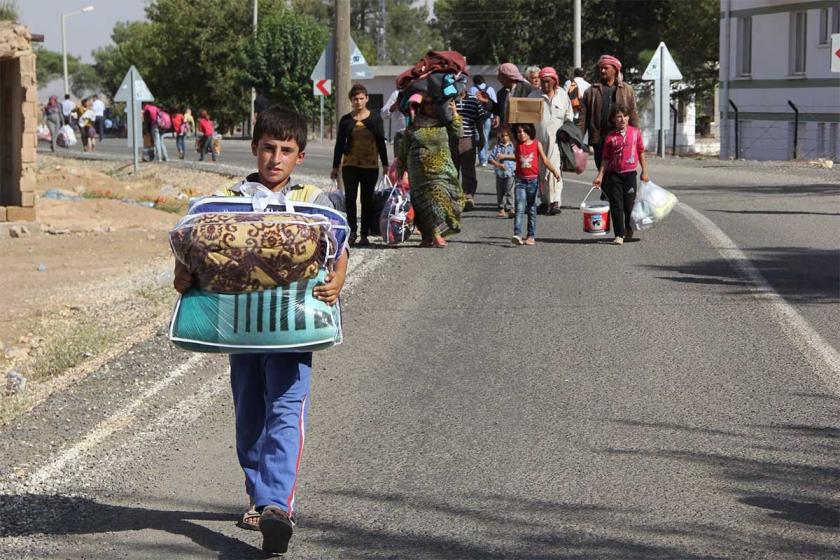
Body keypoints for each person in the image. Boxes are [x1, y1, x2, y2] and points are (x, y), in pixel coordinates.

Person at [174, 105, 348, 555]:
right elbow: (197, 241)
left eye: (285, 150)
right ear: (254, 149)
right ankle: (258, 493)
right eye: (268, 148)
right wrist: (182, 273)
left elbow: (337, 243)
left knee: (287, 408)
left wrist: (338, 279)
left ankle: (276, 506)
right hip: (241, 326)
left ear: (300, 155)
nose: (275, 158)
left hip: (294, 327)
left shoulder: (312, 199)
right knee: (249, 411)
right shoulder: (228, 196)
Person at [397, 95, 464, 248]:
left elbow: (459, 133)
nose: (431, 107)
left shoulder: (444, 123)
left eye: (434, 103)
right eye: (427, 104)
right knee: (424, 204)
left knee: (455, 200)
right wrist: (401, 172)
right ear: (422, 106)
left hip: (442, 170)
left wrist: (454, 113)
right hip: (418, 171)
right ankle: (433, 235)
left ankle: (432, 234)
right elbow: (403, 151)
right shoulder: (413, 126)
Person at [331, 84, 388, 246]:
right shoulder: (346, 120)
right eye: (355, 99)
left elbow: (381, 143)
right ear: (351, 100)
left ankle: (364, 234)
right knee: (350, 199)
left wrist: (385, 164)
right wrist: (335, 167)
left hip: (370, 166)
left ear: (367, 99)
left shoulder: (375, 119)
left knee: (367, 200)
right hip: (350, 166)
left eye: (361, 98)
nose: (358, 101)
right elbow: (339, 144)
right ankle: (352, 232)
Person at [592, 103, 649, 245]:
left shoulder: (635, 133)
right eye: (619, 117)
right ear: (613, 119)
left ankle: (629, 228)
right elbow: (605, 158)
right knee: (616, 205)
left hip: (630, 174)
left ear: (628, 117)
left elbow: (641, 152)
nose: (622, 119)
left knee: (629, 205)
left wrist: (644, 171)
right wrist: (600, 176)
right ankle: (619, 234)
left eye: (625, 116)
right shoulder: (610, 137)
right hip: (614, 175)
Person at [498, 123, 560, 246]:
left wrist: (554, 172)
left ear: (529, 132)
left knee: (531, 208)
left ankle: (531, 235)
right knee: (520, 207)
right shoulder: (517, 145)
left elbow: (545, 160)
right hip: (520, 181)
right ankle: (517, 234)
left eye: (523, 131)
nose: (521, 134)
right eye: (518, 132)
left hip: (533, 181)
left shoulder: (537, 144)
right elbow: (518, 157)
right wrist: (505, 157)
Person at [578, 54, 639, 170]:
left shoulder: (627, 90)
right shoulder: (591, 92)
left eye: (606, 68)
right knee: (603, 175)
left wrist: (637, 138)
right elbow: (583, 119)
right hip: (600, 140)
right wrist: (577, 139)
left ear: (615, 70)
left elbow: (633, 115)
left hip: (622, 139)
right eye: (601, 68)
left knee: (620, 172)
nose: (602, 70)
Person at [528, 66, 573, 216]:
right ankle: (545, 201)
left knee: (553, 169)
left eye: (548, 81)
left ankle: (555, 201)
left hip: (556, 141)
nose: (545, 85)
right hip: (538, 140)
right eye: (542, 81)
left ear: (554, 81)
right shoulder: (533, 97)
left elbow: (569, 116)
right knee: (541, 172)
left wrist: (567, 134)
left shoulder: (563, 96)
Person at [454, 89, 489, 210]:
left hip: (468, 138)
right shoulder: (449, 99)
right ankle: (454, 197)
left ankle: (468, 196)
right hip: (451, 138)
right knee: (452, 170)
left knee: (468, 169)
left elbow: (479, 120)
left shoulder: (473, 100)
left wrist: (482, 137)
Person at [493, 63, 535, 129]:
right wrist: (487, 101)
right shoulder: (501, 93)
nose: (498, 78)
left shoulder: (527, 89)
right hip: (506, 133)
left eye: (500, 76)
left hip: (522, 132)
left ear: (508, 76)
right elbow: (499, 111)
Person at [489, 125, 516, 218]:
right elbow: (490, 158)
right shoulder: (497, 147)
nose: (504, 138)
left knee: (510, 191)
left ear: (510, 136)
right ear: (499, 136)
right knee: (500, 191)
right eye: (502, 136)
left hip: (510, 173)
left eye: (506, 135)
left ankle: (510, 208)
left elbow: (517, 157)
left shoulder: (513, 147)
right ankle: (501, 208)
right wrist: (498, 164)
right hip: (499, 173)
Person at [470, 75, 497, 166]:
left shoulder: (472, 89)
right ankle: (483, 159)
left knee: (477, 137)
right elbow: (495, 104)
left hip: (476, 117)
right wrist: (496, 117)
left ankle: (476, 158)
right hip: (487, 117)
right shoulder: (491, 89)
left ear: (474, 81)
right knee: (485, 136)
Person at [380, 89, 407, 159]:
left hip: (419, 136)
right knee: (400, 167)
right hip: (402, 137)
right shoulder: (397, 94)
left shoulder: (422, 92)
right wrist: (395, 105)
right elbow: (383, 115)